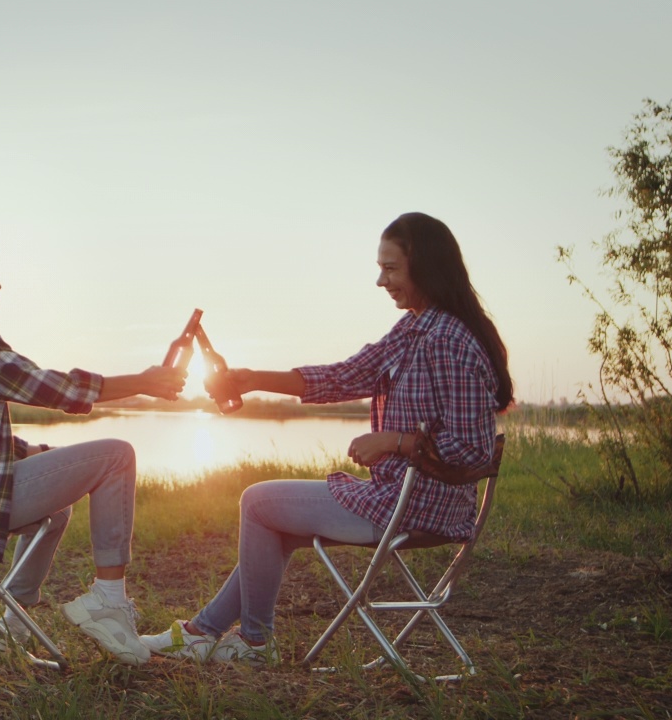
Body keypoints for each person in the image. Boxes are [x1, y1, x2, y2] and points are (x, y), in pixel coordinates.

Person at [140, 212, 514, 664]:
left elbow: (472, 451)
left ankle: (255, 643)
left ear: (427, 266)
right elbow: (347, 375)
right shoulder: (417, 329)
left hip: (415, 506)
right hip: (405, 499)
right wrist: (252, 378)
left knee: (257, 502)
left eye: (391, 268)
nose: (381, 280)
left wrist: (394, 441)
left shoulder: (447, 340)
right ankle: (203, 631)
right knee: (274, 522)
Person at [0, 233, 186, 665]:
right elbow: (47, 386)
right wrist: (143, 383)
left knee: (56, 510)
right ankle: (107, 599)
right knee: (117, 455)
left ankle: (12, 616)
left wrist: (37, 451)